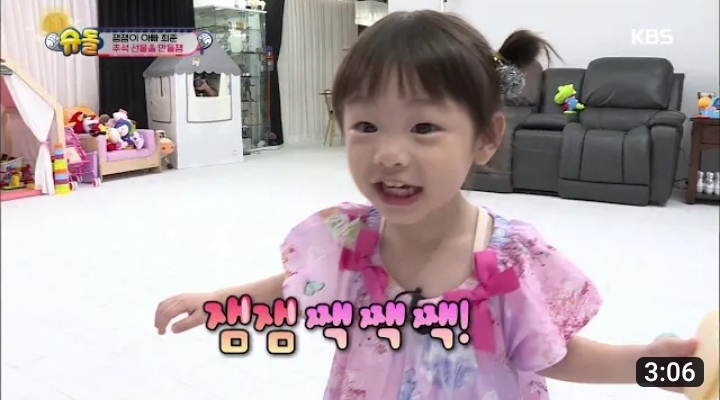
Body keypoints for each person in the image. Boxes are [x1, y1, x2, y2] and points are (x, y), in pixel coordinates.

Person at [155, 11, 696, 399]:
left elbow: (557, 354)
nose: (390, 154)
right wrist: (219, 301)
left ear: (486, 137)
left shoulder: (511, 259)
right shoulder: (348, 239)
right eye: (367, 125)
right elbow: (297, 287)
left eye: (423, 127)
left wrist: (653, 366)